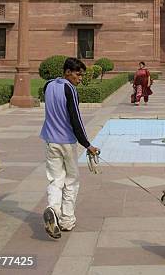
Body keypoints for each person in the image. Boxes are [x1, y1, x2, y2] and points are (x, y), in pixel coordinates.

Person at [40, 57, 99, 239]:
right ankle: (67, 220)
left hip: (51, 140)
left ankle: (52, 210)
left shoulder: (48, 85)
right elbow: (76, 119)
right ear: (67, 72)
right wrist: (87, 145)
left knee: (55, 179)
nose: (80, 78)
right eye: (78, 74)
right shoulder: (69, 89)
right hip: (66, 141)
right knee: (71, 180)